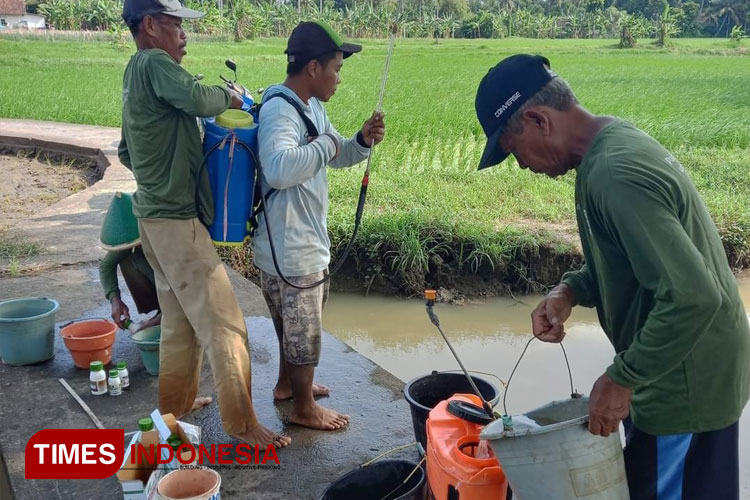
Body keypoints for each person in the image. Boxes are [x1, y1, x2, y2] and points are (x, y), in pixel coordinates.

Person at [474, 54, 750, 499]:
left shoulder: (614, 173)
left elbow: (695, 296)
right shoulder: (607, 146)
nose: (521, 165)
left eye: (512, 149)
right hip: (683, 365)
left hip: (684, 381)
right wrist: (570, 290)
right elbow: (628, 260)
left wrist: (620, 378)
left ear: (537, 119)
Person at [119, 0, 290, 448]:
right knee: (226, 324)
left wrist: (167, 163)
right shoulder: (156, 62)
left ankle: (175, 407)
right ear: (151, 26)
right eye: (177, 25)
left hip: (151, 220)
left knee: (178, 324)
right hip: (176, 224)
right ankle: (242, 424)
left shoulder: (133, 73)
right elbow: (198, 97)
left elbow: (124, 151)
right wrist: (231, 99)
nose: (184, 35)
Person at [253, 20, 385, 431]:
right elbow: (277, 169)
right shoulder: (280, 108)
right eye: (336, 69)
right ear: (313, 68)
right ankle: (304, 408)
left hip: (298, 244)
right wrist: (327, 144)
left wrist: (360, 141)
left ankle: (286, 387)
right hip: (292, 250)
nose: (339, 79)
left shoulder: (310, 107)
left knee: (292, 330)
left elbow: (335, 153)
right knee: (304, 334)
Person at [99, 192, 161, 333]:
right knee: (127, 259)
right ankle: (160, 309)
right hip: (161, 278)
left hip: (187, 287)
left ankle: (165, 315)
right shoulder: (130, 230)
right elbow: (106, 266)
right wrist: (115, 299)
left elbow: (184, 287)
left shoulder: (164, 236)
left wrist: (158, 322)